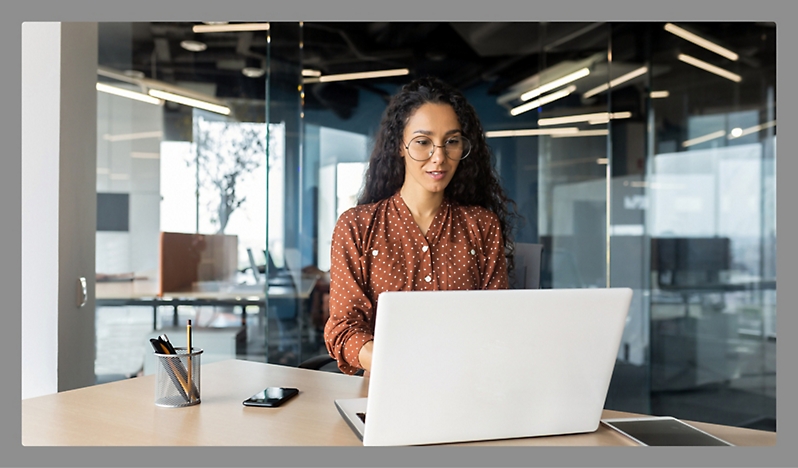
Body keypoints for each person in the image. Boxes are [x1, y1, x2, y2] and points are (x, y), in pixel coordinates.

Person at [323, 76, 517, 375]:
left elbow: (497, 324)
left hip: (466, 387)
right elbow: (343, 328)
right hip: (385, 390)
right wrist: (401, 363)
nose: (439, 157)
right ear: (399, 146)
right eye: (423, 142)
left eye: (451, 141)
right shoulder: (357, 226)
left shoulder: (482, 226)